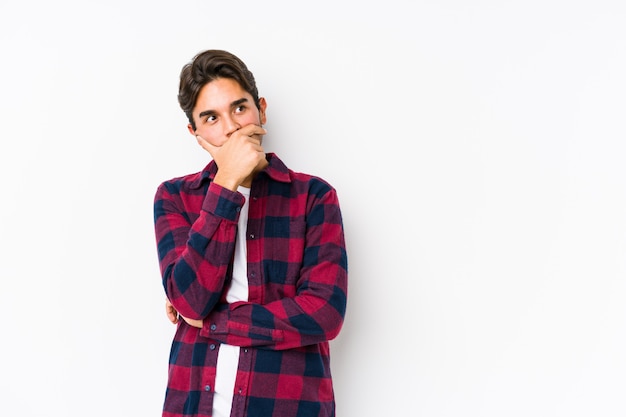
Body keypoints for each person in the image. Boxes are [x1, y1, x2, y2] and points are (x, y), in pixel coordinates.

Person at [153, 49, 348, 417]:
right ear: (194, 132)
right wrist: (226, 182)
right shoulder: (175, 198)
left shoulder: (313, 197)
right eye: (211, 117)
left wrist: (211, 320)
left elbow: (324, 313)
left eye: (239, 109)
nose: (231, 128)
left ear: (261, 110)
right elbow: (190, 299)